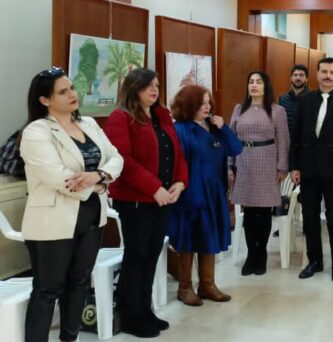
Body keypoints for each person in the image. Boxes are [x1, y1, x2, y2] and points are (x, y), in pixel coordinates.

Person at [19, 67, 123, 342]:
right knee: (48, 290)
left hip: (92, 216)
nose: (72, 94)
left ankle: (69, 337)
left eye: (72, 88)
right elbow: (57, 176)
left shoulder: (88, 123)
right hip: (53, 220)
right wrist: (100, 185)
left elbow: (116, 158)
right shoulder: (36, 131)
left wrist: (98, 176)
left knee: (79, 283)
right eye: (63, 92)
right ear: (45, 100)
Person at [105, 68, 188, 338]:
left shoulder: (161, 116)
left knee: (151, 256)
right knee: (137, 255)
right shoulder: (121, 118)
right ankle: (131, 315)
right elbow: (124, 161)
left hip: (162, 199)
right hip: (135, 200)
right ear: (134, 88)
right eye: (148, 85)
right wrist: (154, 188)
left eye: (157, 85)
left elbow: (177, 154)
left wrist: (180, 182)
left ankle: (144, 309)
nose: (154, 90)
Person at [169, 85, 243, 306]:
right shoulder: (180, 129)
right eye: (201, 103)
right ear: (189, 104)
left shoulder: (213, 127)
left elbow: (236, 148)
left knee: (209, 237)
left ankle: (207, 284)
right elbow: (177, 163)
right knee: (189, 239)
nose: (207, 106)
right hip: (191, 192)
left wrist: (224, 128)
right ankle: (185, 287)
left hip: (214, 192)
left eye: (208, 102)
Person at [291, 57, 333, 282]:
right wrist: (294, 166)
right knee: (309, 217)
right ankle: (315, 261)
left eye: (332, 72)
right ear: (317, 74)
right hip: (308, 170)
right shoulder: (305, 101)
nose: (328, 76)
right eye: (324, 72)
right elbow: (296, 136)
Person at [230, 71, 290, 276]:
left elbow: (283, 140)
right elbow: (231, 137)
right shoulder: (239, 109)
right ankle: (251, 255)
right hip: (244, 161)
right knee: (248, 211)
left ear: (266, 86)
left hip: (267, 162)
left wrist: (282, 167)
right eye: (251, 82)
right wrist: (230, 164)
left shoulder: (277, 110)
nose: (254, 85)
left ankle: (261, 254)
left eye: (258, 82)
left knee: (263, 211)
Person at [278, 64, 309, 137]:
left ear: (306, 79)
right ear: (291, 78)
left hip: (304, 142)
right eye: (295, 75)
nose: (298, 78)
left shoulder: (313, 99)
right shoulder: (282, 99)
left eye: (301, 75)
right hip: (286, 141)